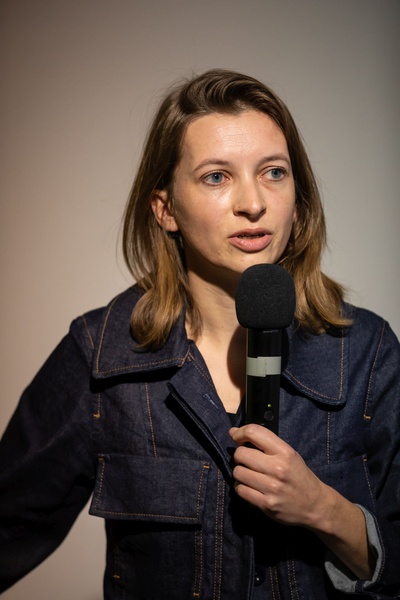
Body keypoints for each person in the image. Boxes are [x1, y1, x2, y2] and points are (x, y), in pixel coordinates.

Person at [0, 69, 399, 600]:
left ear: (298, 198)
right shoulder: (101, 353)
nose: (253, 202)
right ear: (165, 208)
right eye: (216, 177)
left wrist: (324, 510)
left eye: (274, 172)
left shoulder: (367, 352)